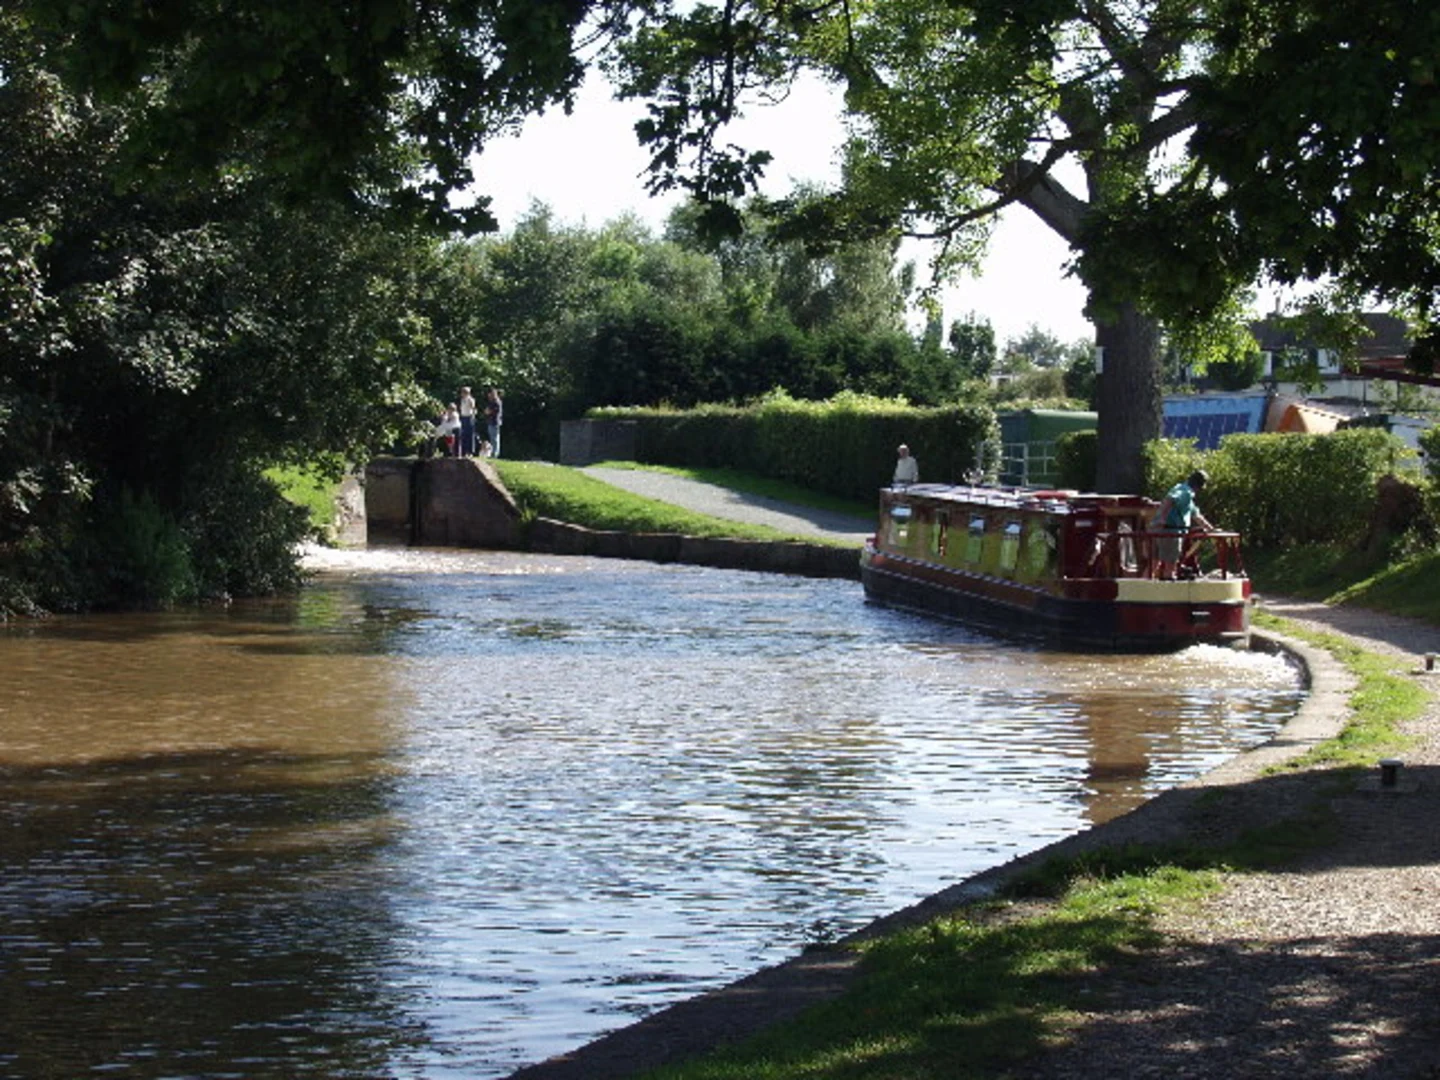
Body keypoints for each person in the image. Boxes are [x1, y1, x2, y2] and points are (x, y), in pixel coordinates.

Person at [1150, 469, 1216, 579]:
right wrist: (1162, 519)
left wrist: (1211, 530)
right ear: (1199, 486)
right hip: (1170, 531)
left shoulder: (1185, 493)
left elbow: (1196, 515)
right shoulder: (1185, 492)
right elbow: (1169, 500)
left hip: (1164, 531)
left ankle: (1143, 587)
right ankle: (1169, 589)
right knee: (1169, 565)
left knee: (1154, 563)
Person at [457, 385, 478, 457]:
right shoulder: (462, 400)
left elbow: (474, 409)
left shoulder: (470, 400)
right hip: (463, 417)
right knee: (463, 435)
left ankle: (470, 451)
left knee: (470, 435)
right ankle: (464, 451)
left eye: (463, 392)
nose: (461, 394)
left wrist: (473, 417)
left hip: (469, 417)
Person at [484, 388, 504, 458]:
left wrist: (488, 411)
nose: (489, 396)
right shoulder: (492, 402)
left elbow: (492, 411)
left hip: (495, 422)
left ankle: (495, 454)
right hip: (491, 422)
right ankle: (493, 453)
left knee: (495, 439)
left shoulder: (496, 402)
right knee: (492, 438)